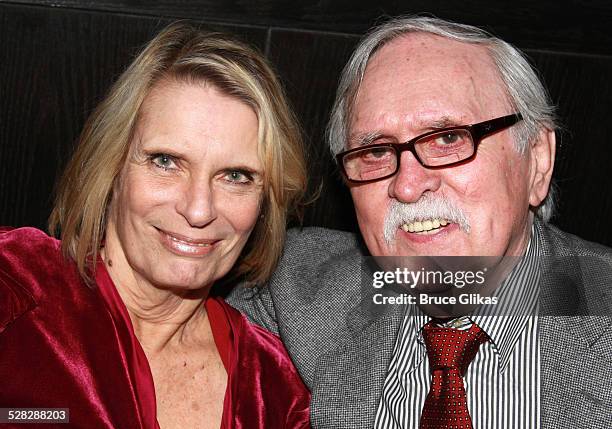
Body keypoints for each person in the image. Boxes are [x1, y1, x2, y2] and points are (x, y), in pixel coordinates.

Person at [227, 16, 612, 429]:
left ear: (537, 160)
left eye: (448, 138)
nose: (408, 186)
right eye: (375, 150)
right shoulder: (295, 288)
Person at [0, 23, 310, 428]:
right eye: (165, 161)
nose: (199, 210)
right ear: (111, 168)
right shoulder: (16, 285)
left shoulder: (274, 390)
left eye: (235, 176)